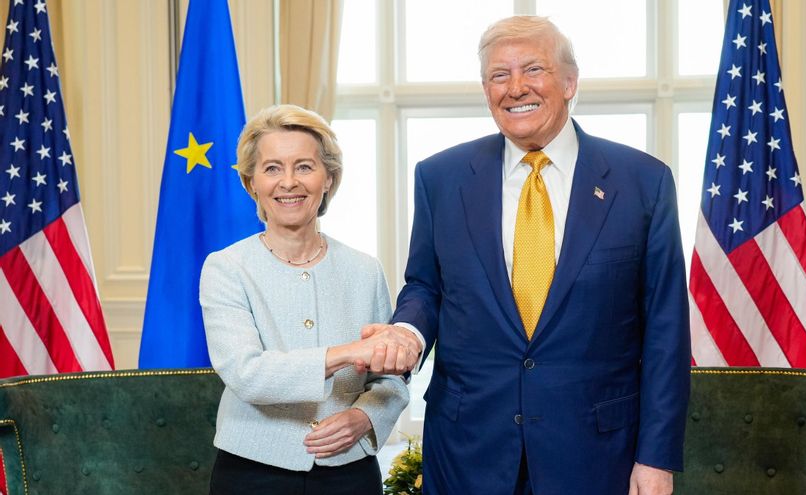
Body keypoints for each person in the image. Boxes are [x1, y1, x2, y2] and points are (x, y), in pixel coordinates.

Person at [363, 16, 690, 495]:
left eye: (533, 70)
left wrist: (657, 459)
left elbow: (666, 330)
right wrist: (408, 331)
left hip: (596, 455)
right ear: (485, 88)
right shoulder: (441, 178)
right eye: (499, 75)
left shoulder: (642, 181)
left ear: (570, 81)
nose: (516, 88)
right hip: (468, 449)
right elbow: (426, 286)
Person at [199, 104, 410, 495]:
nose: (289, 182)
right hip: (252, 473)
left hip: (351, 472)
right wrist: (350, 352)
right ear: (252, 183)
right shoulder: (226, 268)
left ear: (328, 178)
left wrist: (365, 416)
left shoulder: (365, 269)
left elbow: (391, 379)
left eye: (304, 166)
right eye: (273, 168)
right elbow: (248, 374)